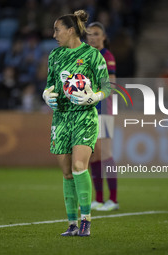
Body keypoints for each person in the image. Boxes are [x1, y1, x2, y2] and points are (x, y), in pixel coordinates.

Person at [42, 10, 110, 237]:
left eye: (57, 30)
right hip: (61, 117)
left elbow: (107, 87)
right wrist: (46, 95)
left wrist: (94, 97)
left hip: (84, 117)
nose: (54, 35)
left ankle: (85, 221)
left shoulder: (92, 56)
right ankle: (71, 224)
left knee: (79, 167)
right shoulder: (55, 56)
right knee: (67, 173)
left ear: (70, 30)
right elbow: (50, 84)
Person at [86, 22, 119, 211]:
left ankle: (113, 200)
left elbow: (111, 87)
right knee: (94, 155)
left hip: (103, 109)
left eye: (96, 34)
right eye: (89, 34)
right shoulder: (86, 57)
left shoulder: (107, 57)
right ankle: (98, 199)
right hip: (90, 110)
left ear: (104, 37)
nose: (92, 37)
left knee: (106, 153)